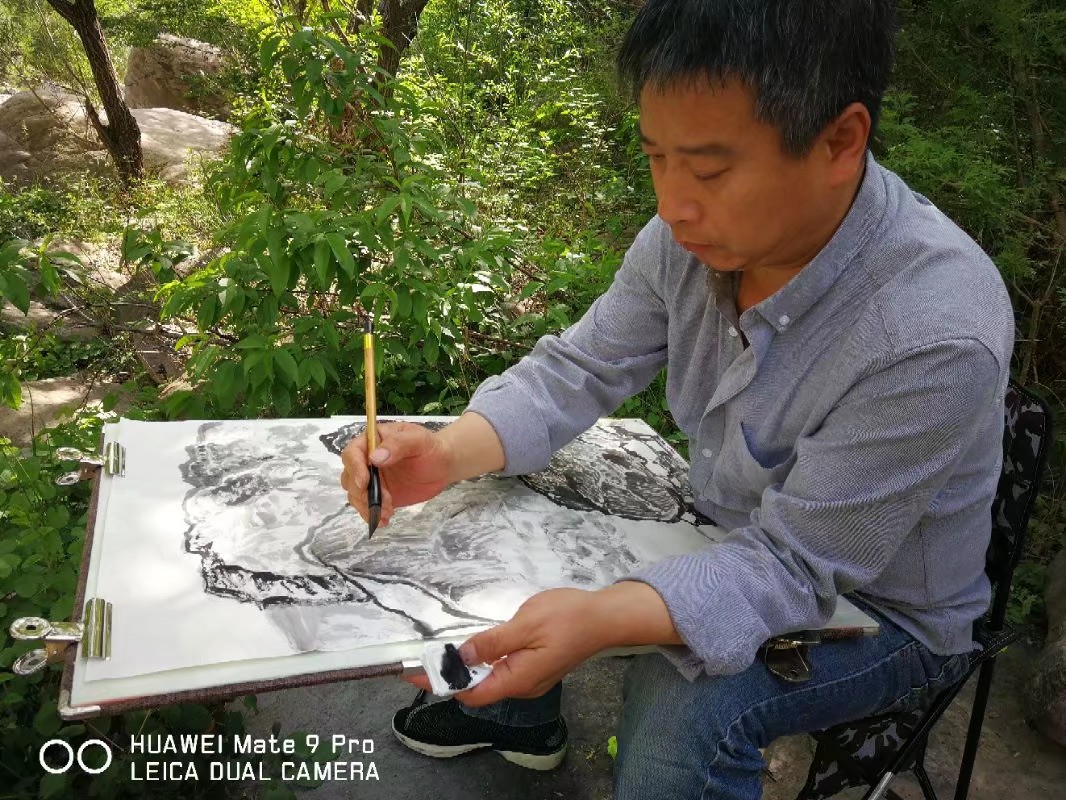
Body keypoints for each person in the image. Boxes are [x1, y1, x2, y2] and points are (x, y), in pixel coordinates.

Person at [339, 1, 1015, 797]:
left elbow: (795, 567)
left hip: (881, 610)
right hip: (732, 524)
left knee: (681, 703)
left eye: (710, 169)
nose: (671, 206)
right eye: (657, 158)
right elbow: (579, 368)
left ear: (839, 141)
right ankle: (519, 715)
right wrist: (447, 452)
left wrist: (604, 618)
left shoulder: (932, 332)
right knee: (512, 489)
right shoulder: (691, 242)